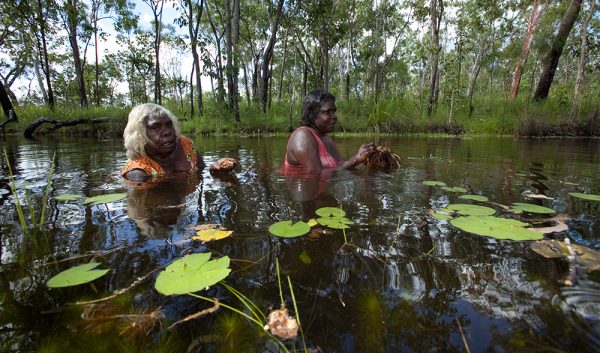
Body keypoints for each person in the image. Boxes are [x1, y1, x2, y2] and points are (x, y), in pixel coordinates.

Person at [120, 103, 235, 181]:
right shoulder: (138, 173)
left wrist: (215, 168)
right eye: (155, 127)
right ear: (139, 136)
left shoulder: (185, 145)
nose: (167, 132)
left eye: (169, 125)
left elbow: (201, 170)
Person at [284, 90, 375, 172]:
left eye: (334, 112)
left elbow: (340, 166)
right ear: (312, 114)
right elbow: (315, 175)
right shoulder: (302, 136)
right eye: (327, 112)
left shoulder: (326, 138)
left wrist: (364, 156)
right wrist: (356, 159)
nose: (334, 116)